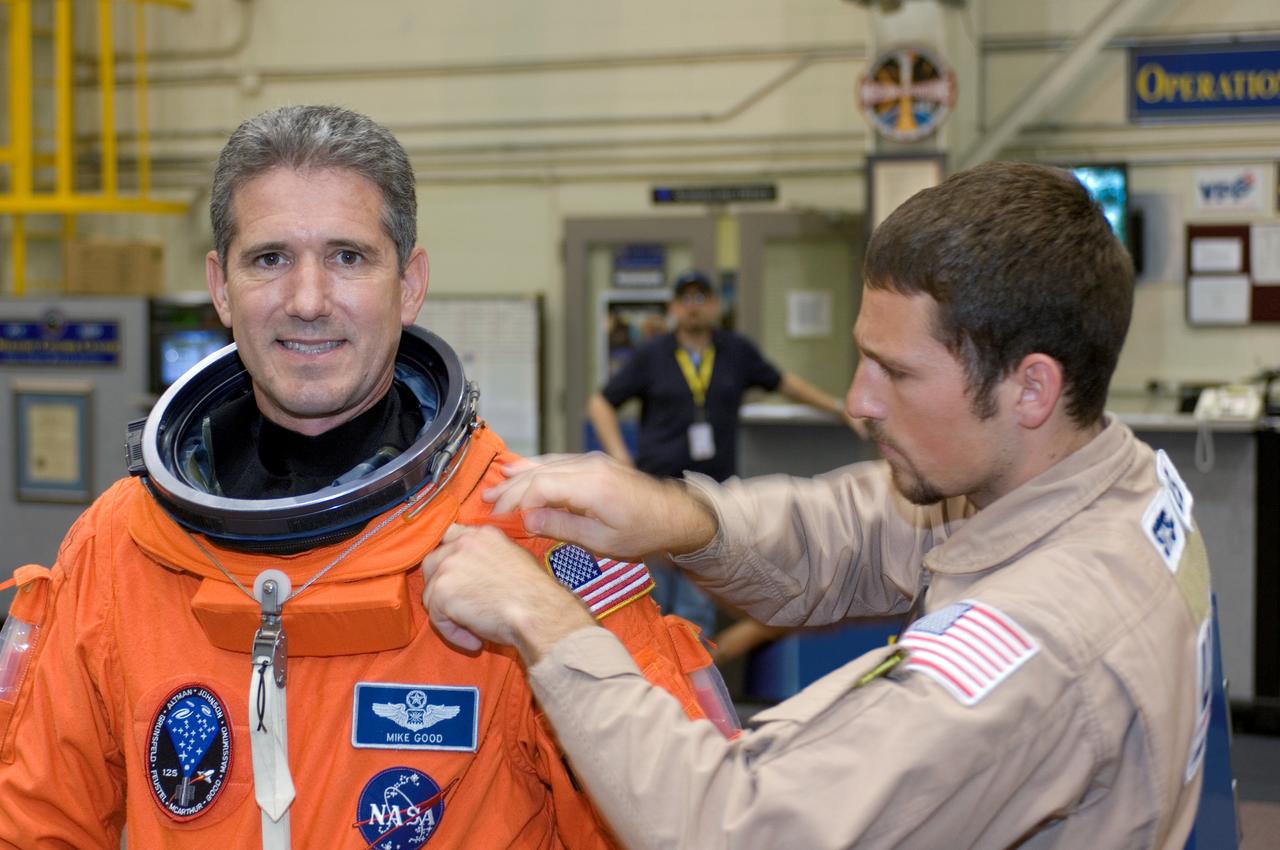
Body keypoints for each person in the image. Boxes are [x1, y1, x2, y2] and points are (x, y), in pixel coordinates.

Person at [421, 162, 1214, 849]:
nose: (857, 401)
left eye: (895, 373)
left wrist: (546, 622)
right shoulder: (1094, 478)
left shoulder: (1042, 650)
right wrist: (678, 518)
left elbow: (736, 828)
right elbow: (848, 533)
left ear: (1030, 388)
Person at [0, 105, 722, 850]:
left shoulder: (534, 546)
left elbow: (683, 822)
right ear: (221, 286)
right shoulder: (119, 549)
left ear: (408, 283)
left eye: (348, 257)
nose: (308, 301)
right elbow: (36, 826)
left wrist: (548, 628)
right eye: (269, 258)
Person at [587, 268, 851, 637]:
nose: (693, 307)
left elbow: (784, 383)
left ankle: (694, 691)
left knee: (697, 609)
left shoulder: (735, 352)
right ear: (674, 307)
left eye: (701, 298)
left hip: (713, 499)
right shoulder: (653, 355)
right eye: (685, 299)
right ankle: (655, 686)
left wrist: (839, 407)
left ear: (715, 305)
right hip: (658, 493)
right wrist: (620, 457)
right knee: (653, 602)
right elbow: (600, 403)